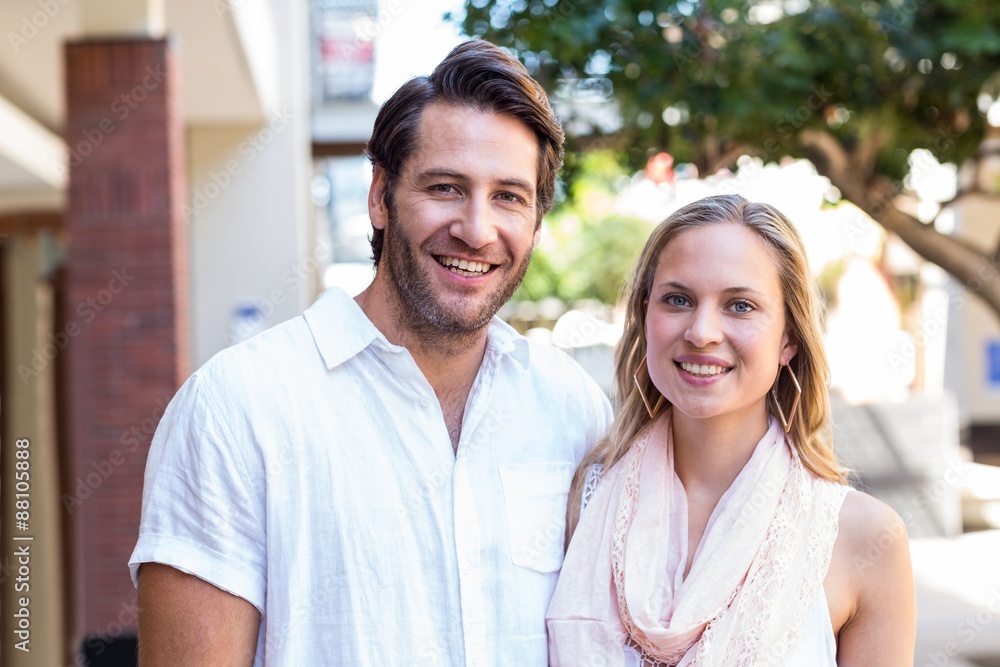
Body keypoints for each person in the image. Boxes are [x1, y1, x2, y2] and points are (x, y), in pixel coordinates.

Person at [129, 39, 612, 666]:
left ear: (537, 221)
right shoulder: (236, 408)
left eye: (509, 197)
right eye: (445, 187)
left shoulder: (572, 407)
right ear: (380, 197)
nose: (477, 228)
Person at [546, 194, 915, 665]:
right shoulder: (581, 499)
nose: (702, 332)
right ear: (645, 315)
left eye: (740, 306)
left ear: (789, 339)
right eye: (677, 299)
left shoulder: (865, 539)